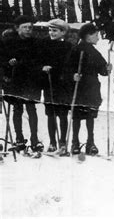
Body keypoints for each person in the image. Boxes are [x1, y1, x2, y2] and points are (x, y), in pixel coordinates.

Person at [66, 23, 111, 155]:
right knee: (77, 116)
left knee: (90, 115)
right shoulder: (76, 50)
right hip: (79, 87)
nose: (98, 38)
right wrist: (73, 76)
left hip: (91, 87)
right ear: (88, 36)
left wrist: (107, 69)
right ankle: (75, 142)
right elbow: (67, 69)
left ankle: (90, 143)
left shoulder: (94, 52)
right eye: (96, 35)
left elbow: (102, 69)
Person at [2, 15, 43, 152]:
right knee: (17, 109)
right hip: (15, 80)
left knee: (31, 109)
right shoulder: (9, 43)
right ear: (17, 28)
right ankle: (19, 139)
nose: (28, 30)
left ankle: (34, 140)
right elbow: (3, 60)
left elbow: (39, 60)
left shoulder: (36, 43)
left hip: (31, 80)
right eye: (24, 27)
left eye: (30, 27)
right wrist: (9, 63)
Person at [41, 19, 74, 153]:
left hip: (63, 84)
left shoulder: (68, 46)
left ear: (63, 32)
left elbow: (69, 64)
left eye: (55, 30)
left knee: (62, 114)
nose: (51, 33)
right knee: (51, 114)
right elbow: (40, 59)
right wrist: (43, 67)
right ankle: (52, 142)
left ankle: (62, 142)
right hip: (49, 83)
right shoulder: (45, 44)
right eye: (50, 30)